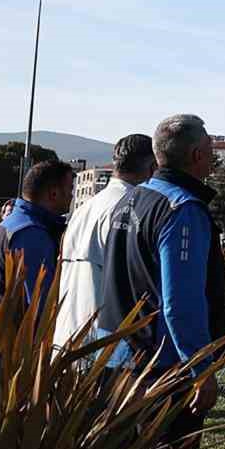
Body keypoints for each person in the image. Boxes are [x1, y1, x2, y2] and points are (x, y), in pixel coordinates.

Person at [99, 115, 225, 449]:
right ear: (197, 154)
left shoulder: (130, 200)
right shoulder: (182, 208)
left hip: (119, 359)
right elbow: (181, 301)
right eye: (210, 149)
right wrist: (201, 369)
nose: (213, 157)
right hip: (163, 367)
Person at [56, 135, 155, 348]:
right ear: (152, 167)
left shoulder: (84, 208)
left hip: (67, 332)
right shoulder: (130, 209)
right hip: (103, 339)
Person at [0, 163, 74, 364]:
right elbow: (41, 306)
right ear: (53, 193)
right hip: (14, 358)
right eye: (69, 189)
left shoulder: (13, 223)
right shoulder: (31, 233)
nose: (71, 196)